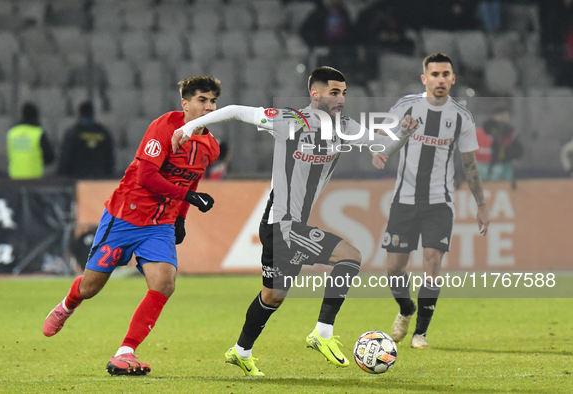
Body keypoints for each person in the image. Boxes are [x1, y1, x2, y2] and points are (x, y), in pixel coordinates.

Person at [171, 66, 419, 376]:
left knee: (273, 295)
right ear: (315, 93)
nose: (340, 99)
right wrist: (191, 126)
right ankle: (322, 333)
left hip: (286, 225)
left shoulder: (345, 126)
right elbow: (235, 111)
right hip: (283, 224)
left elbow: (383, 145)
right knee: (350, 257)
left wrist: (405, 131)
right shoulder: (288, 120)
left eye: (343, 93)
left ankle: (240, 350)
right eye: (333, 92)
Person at [42, 76, 221, 376]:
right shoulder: (164, 128)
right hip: (125, 216)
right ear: (185, 103)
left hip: (160, 224)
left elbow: (191, 180)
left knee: (164, 283)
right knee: (90, 287)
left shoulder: (209, 146)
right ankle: (67, 304)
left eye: (213, 101)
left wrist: (181, 217)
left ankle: (125, 352)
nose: (209, 107)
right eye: (202, 100)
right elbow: (146, 177)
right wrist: (187, 196)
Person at [373, 53, 490, 349]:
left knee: (432, 263)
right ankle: (406, 310)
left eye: (445, 74)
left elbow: (470, 164)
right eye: (434, 74)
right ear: (424, 78)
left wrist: (481, 205)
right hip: (405, 200)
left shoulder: (461, 116)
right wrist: (391, 139)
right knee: (394, 267)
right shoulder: (406, 106)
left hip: (440, 202)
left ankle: (420, 334)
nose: (440, 79)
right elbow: (381, 137)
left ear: (452, 79)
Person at [57, 101, 115, 179]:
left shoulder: (74, 132)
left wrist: (62, 174)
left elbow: (66, 156)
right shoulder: (103, 132)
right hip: (99, 176)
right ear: (93, 114)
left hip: (78, 176)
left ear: (80, 114)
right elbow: (110, 157)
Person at [6, 102, 55, 179]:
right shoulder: (38, 133)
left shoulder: (12, 133)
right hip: (34, 178)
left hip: (14, 178)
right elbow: (50, 157)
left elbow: (9, 154)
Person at [482, 107, 523, 181]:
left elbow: (516, 145)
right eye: (502, 115)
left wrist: (515, 156)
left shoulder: (510, 129)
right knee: (493, 181)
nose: (504, 118)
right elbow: (488, 131)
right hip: (494, 161)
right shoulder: (491, 127)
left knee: (507, 182)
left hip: (507, 161)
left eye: (506, 115)